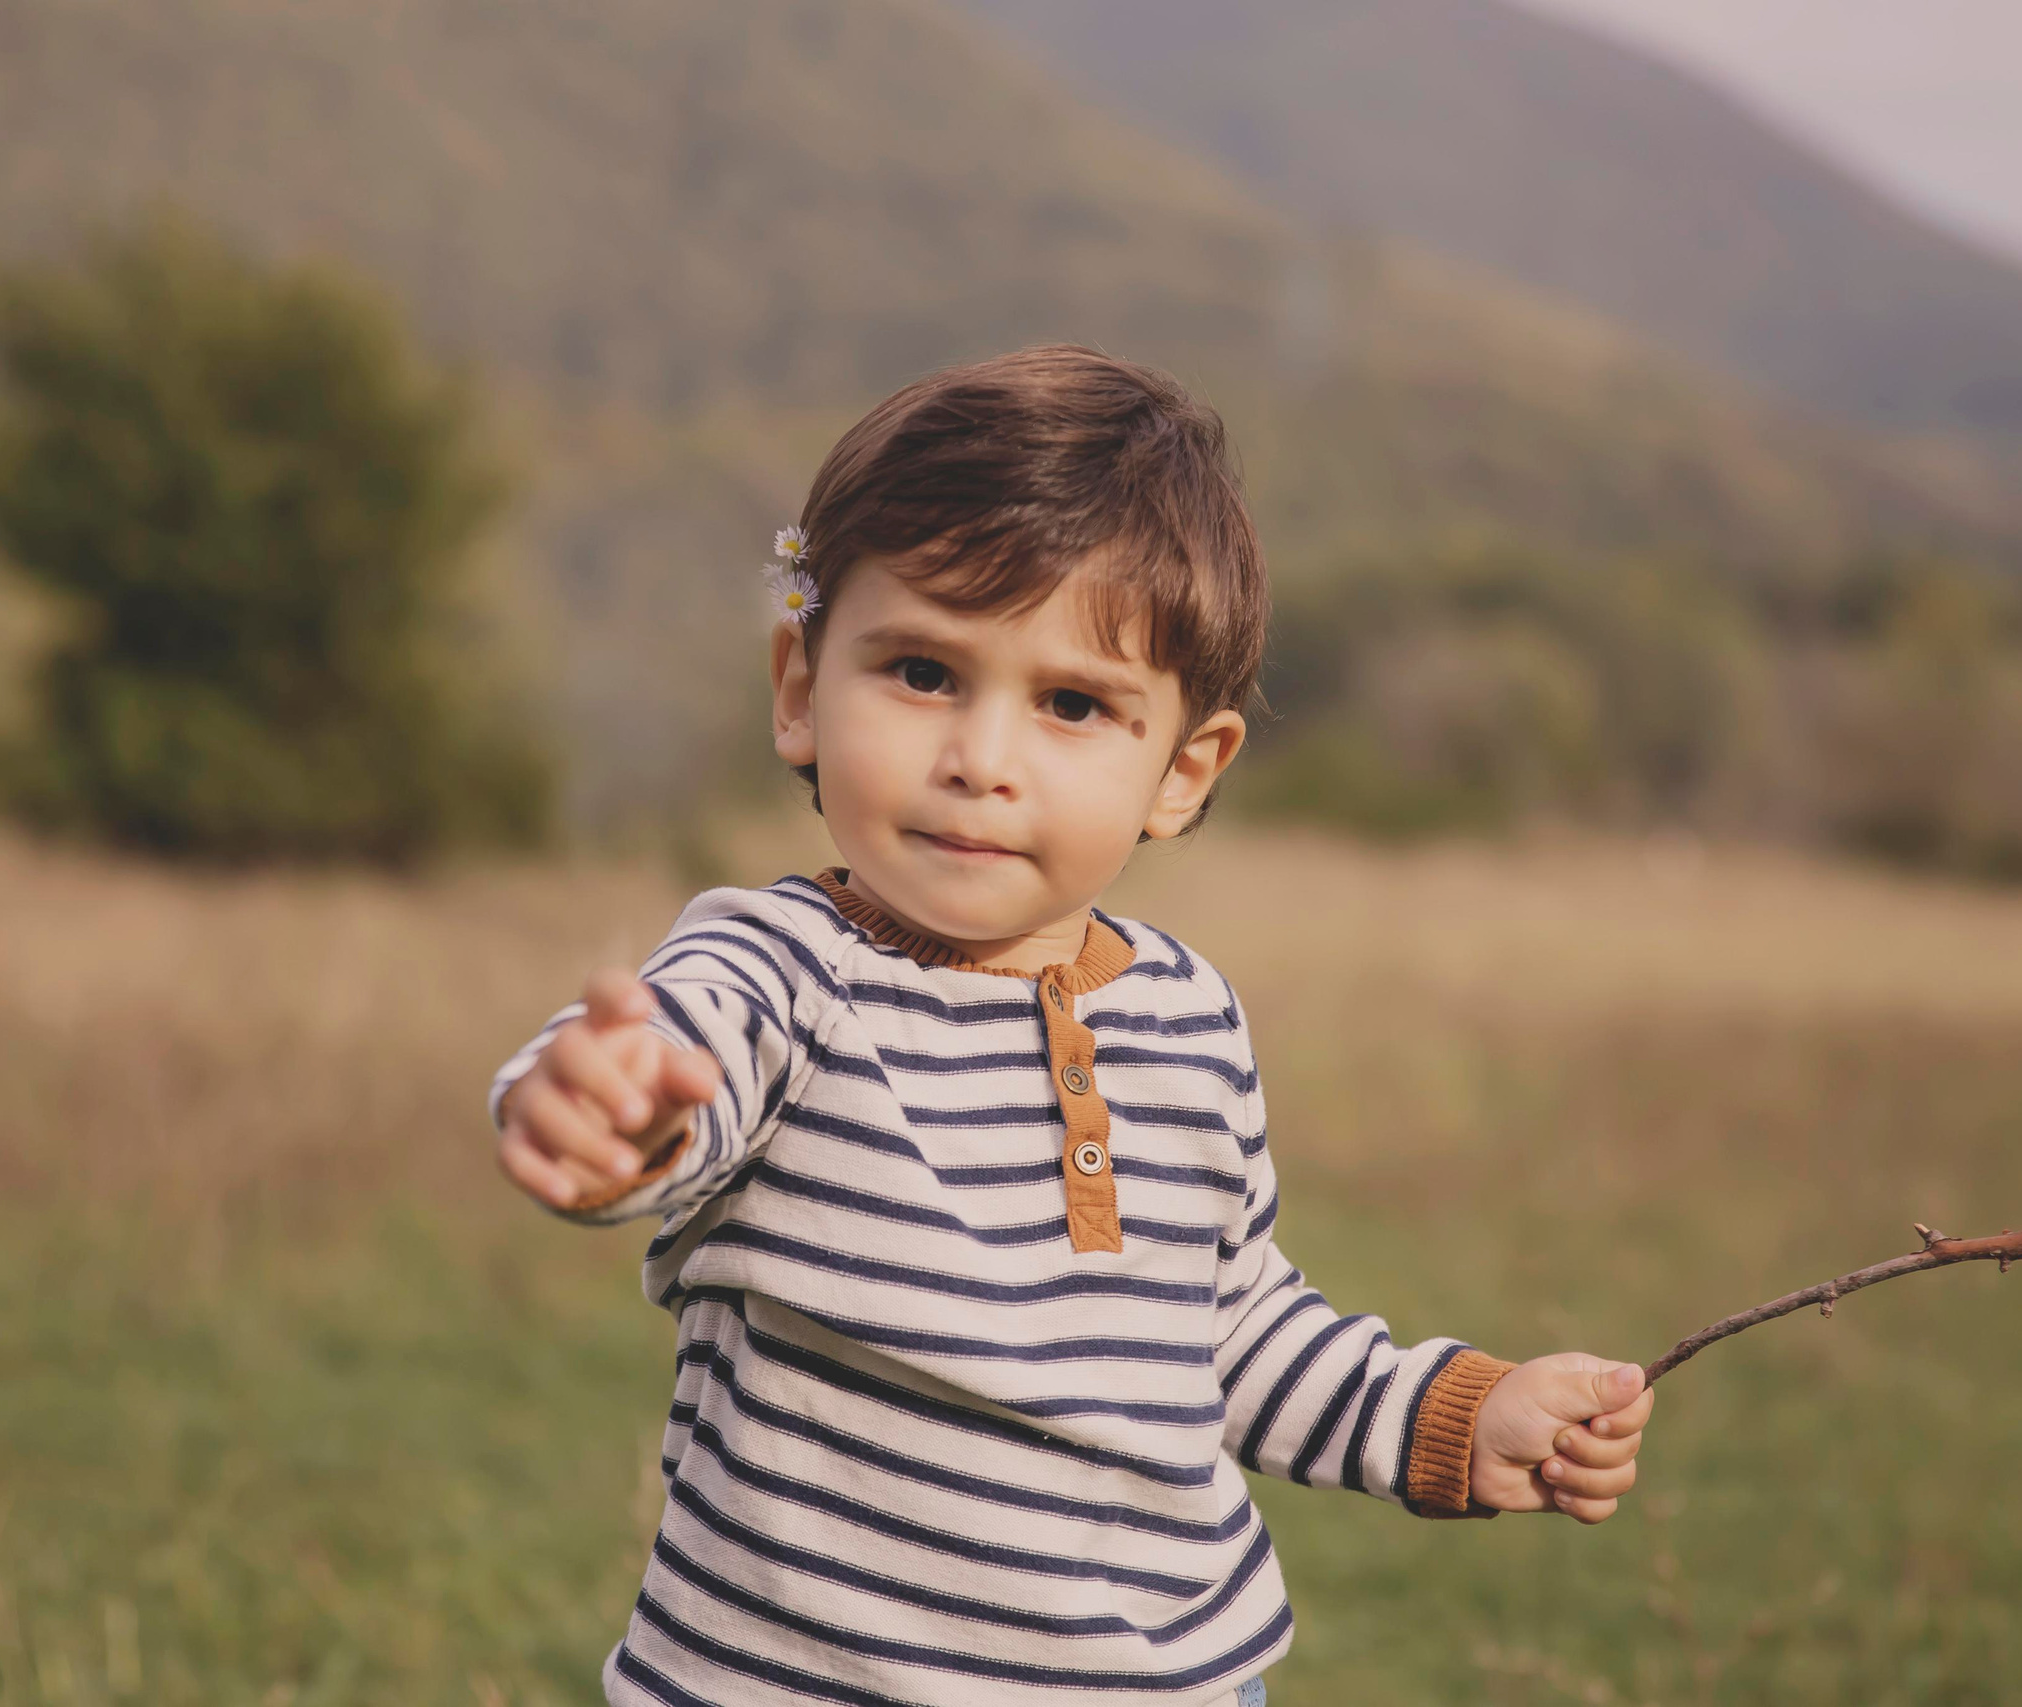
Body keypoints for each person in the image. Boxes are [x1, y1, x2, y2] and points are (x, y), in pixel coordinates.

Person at [489, 346, 1656, 1707]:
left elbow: (1229, 1331)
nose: (983, 758)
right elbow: (680, 1072)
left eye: (1071, 705)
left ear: (1182, 771)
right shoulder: (782, 969)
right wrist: (610, 1114)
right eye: (922, 672)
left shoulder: (1187, 1017)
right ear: (801, 690)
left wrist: (1449, 1419)